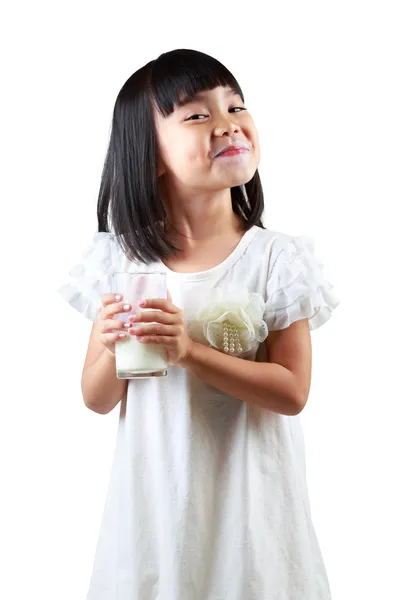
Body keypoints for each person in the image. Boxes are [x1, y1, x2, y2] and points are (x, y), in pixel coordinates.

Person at [57, 48, 340, 600]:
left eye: (235, 106)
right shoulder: (123, 262)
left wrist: (189, 351)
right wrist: (116, 347)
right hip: (153, 508)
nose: (228, 123)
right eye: (197, 114)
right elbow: (96, 398)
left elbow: (292, 391)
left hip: (251, 510)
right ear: (152, 156)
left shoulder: (275, 260)